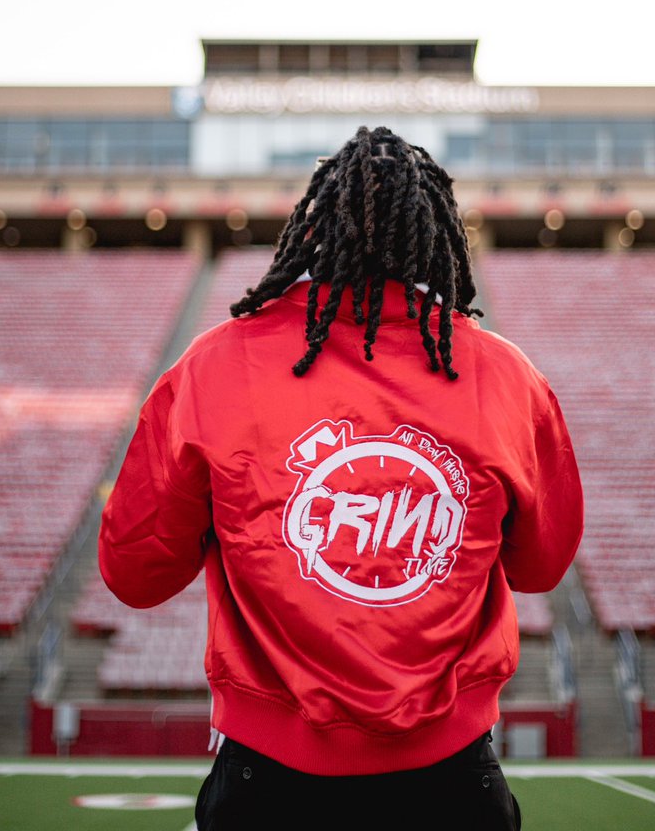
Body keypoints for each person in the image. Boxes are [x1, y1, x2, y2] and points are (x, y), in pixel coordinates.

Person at [99, 125, 584, 829]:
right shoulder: (508, 377)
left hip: (264, 784)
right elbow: (542, 565)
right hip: (454, 785)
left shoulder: (213, 367)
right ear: (436, 234)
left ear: (315, 229)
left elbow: (135, 574)